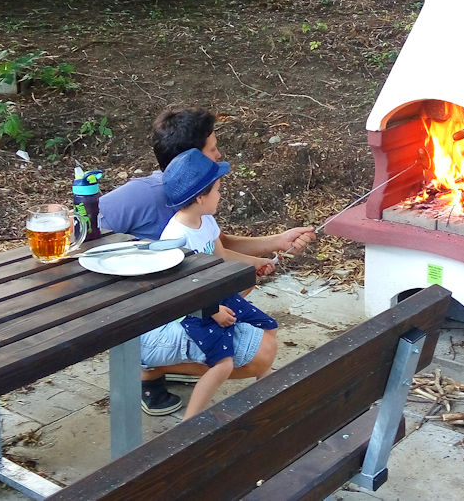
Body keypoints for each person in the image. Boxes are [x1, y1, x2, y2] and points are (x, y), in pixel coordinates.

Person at [100, 106, 315, 415]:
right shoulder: (143, 197)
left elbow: (218, 247)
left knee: (241, 285)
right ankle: (149, 369)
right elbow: (86, 225)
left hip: (194, 296)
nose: (218, 155)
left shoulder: (198, 205)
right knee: (260, 353)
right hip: (159, 308)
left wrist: (276, 244)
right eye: (212, 149)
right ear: (189, 160)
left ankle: (178, 361)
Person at [151, 148, 280, 418]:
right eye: (218, 190)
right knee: (223, 363)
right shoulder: (176, 238)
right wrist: (212, 311)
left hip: (216, 295)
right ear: (200, 197)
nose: (221, 195)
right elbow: (176, 290)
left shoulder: (205, 220)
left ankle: (266, 392)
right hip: (193, 310)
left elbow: (221, 256)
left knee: (269, 326)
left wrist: (254, 263)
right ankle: (190, 422)